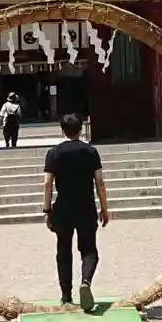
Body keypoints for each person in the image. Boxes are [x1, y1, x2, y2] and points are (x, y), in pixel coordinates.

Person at [41, 114, 109, 310]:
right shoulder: (91, 152)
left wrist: (47, 209)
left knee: (63, 251)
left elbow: (47, 183)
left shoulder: (53, 153)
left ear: (62, 130)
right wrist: (104, 208)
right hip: (86, 206)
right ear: (80, 129)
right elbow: (100, 182)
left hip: (63, 207)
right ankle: (85, 281)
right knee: (89, 250)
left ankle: (66, 296)